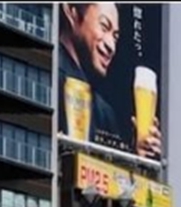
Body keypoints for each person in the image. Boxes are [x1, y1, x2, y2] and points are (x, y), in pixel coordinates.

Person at [58, 2, 162, 160]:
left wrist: (138, 154)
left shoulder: (103, 110)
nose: (111, 45)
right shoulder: (48, 76)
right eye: (104, 27)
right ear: (71, 12)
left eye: (115, 36)